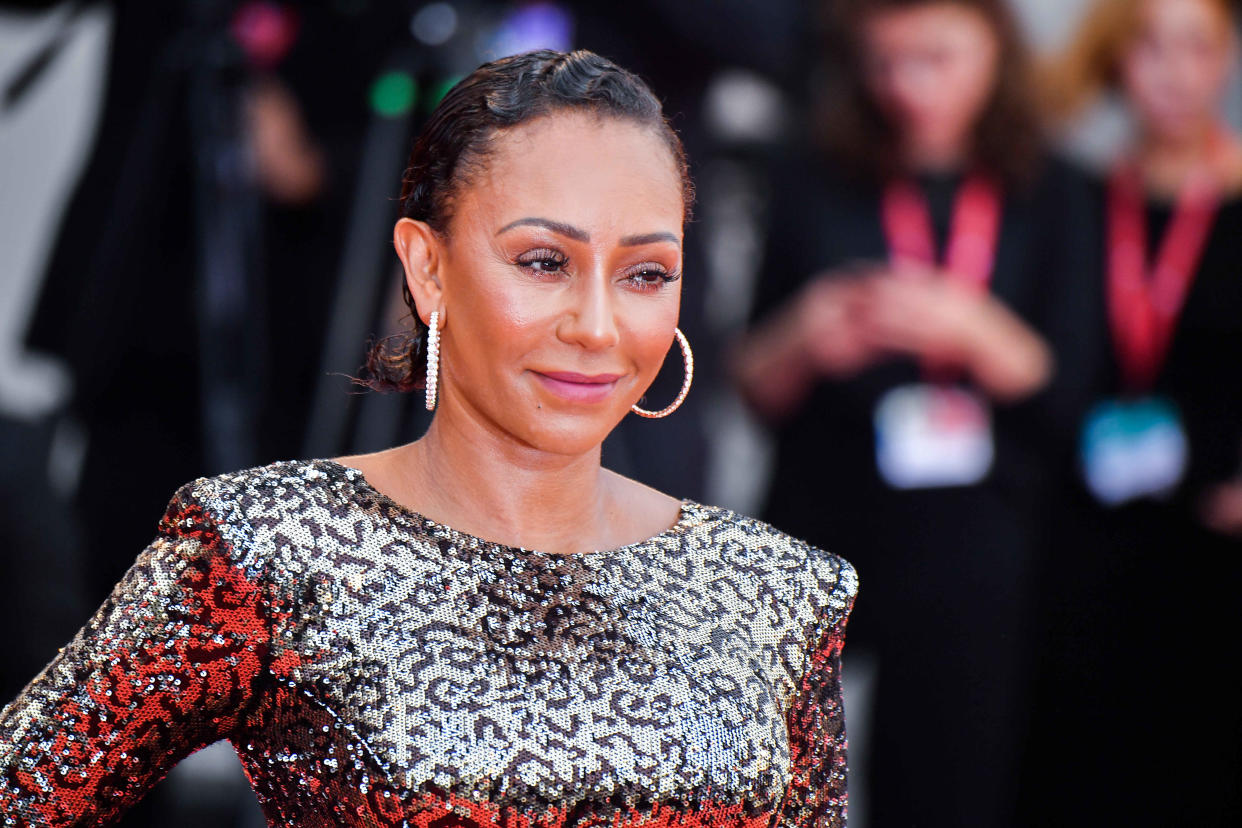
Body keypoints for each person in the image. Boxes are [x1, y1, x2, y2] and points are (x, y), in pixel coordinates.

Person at [0, 50, 857, 827]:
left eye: (644, 274)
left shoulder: (777, 588)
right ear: (427, 267)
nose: (598, 326)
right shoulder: (275, 547)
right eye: (543, 262)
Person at [732, 1, 1096, 825]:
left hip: (978, 538)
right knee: (765, 779)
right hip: (823, 519)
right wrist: (806, 335)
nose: (908, 86)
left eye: (936, 57)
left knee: (947, 787)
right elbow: (751, 386)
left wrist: (974, 331)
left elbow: (1076, 400)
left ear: (996, 50)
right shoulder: (810, 171)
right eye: (885, 61)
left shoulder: (1055, 187)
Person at [1022, 1, 1242, 823]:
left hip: (1214, 543)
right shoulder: (1074, 197)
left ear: (1227, 60)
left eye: (1198, 48)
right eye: (1149, 47)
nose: (1175, 71)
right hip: (1088, 541)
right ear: (1114, 59)